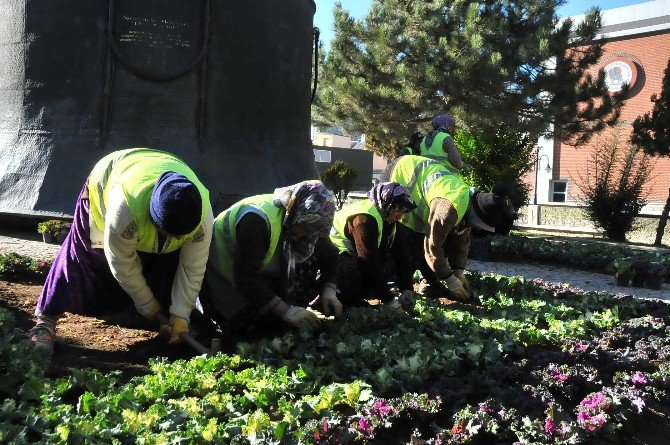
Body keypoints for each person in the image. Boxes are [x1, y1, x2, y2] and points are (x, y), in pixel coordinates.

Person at [29, 148, 213, 353]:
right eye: (171, 233)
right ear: (155, 219)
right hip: (109, 178)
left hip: (156, 168)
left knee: (169, 262)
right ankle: (45, 321)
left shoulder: (202, 217)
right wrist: (148, 306)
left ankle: (162, 320)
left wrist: (181, 314)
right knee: (85, 259)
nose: (178, 239)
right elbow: (122, 264)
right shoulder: (125, 210)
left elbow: (192, 268)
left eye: (182, 235)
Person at [201, 180, 339, 334]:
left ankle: (284, 309)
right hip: (224, 283)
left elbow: (331, 254)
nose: (310, 236)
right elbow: (246, 278)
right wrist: (286, 311)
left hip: (260, 277)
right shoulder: (257, 220)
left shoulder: (310, 222)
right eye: (306, 229)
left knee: (308, 255)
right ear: (298, 214)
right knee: (259, 331)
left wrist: (329, 289)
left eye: (315, 231)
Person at [382, 155, 516, 301]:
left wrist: (458, 270)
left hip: (419, 194)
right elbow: (432, 248)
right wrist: (449, 280)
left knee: (425, 243)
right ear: (479, 220)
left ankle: (428, 282)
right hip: (401, 174)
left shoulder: (470, 204)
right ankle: (396, 287)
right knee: (404, 244)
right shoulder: (448, 208)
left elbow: (462, 240)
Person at [330, 182, 417, 308]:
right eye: (398, 210)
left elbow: (401, 252)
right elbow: (367, 260)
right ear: (388, 204)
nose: (400, 216)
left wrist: (407, 288)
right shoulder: (364, 219)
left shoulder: (388, 217)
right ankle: (346, 299)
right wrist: (389, 299)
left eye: (404, 211)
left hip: (358, 255)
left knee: (391, 261)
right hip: (336, 258)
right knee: (352, 267)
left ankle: (368, 292)